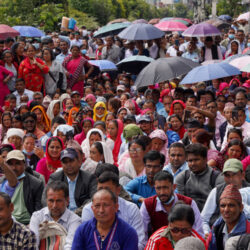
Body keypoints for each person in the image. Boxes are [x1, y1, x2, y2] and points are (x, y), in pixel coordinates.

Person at [82, 171, 147, 250]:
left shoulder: (131, 209)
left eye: (107, 189)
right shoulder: (89, 210)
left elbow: (140, 242)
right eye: (100, 189)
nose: (103, 193)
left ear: (118, 190)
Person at [140, 171, 204, 236]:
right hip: (159, 243)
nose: (162, 192)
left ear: (174, 187)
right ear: (154, 188)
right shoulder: (148, 204)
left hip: (185, 243)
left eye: (165, 187)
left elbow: (198, 232)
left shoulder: (189, 203)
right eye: (158, 188)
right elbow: (141, 233)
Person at [72, 189, 138, 249]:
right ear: (92, 208)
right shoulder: (82, 230)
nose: (101, 210)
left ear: (116, 207)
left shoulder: (128, 232)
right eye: (97, 206)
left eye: (106, 205)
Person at [201, 159, 250, 237]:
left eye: (234, 174)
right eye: (227, 175)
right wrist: (207, 232)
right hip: (219, 235)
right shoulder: (216, 191)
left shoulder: (248, 191)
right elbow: (204, 219)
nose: (231, 178)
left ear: (242, 174)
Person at [29, 181, 81, 250]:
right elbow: (33, 243)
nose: (54, 206)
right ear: (46, 200)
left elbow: (70, 246)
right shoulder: (37, 216)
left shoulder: (75, 220)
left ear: (67, 200)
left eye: (59, 201)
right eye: (51, 201)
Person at [0, 150, 44, 225]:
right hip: (6, 222)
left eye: (17, 163)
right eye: (10, 164)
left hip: (27, 223)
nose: (14, 167)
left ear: (24, 164)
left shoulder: (36, 183)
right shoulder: (2, 182)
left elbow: (38, 210)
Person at [47, 148, 97, 212]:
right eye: (65, 162)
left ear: (79, 162)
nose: (68, 165)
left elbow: (94, 199)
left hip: (82, 215)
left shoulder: (89, 178)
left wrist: (76, 213)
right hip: (60, 213)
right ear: (61, 164)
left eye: (71, 161)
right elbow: (45, 198)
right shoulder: (55, 178)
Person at [175, 143, 220, 211]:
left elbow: (219, 205)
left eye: (196, 160)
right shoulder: (182, 178)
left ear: (205, 159)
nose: (193, 164)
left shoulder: (217, 178)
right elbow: (181, 203)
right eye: (190, 161)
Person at [206, 184, 250, 250]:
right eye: (223, 206)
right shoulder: (216, 229)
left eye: (231, 205)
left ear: (241, 207)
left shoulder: (248, 229)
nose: (226, 210)